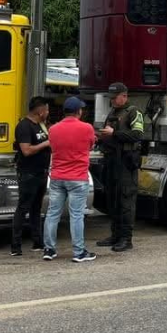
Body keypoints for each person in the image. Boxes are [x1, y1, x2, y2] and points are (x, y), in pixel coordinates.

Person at [42, 96, 97, 262]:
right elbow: (91, 146)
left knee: (52, 214)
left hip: (57, 177)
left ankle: (49, 250)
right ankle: (79, 252)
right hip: (78, 178)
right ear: (78, 111)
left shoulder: (53, 129)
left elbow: (52, 146)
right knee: (76, 215)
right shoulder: (87, 128)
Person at [97, 82, 145, 253]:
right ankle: (115, 235)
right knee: (113, 199)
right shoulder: (112, 112)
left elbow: (138, 134)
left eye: (115, 97)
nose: (112, 101)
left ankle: (126, 238)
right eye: (110, 97)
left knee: (126, 200)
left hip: (126, 161)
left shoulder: (133, 112)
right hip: (111, 160)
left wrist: (114, 134)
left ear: (124, 96)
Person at [11, 96, 51, 256]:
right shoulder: (24, 126)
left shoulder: (41, 125)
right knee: (23, 208)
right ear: (40, 111)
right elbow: (26, 150)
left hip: (42, 172)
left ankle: (37, 242)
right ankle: (16, 246)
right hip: (28, 173)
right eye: (47, 110)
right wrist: (46, 144)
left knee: (36, 209)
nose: (48, 112)